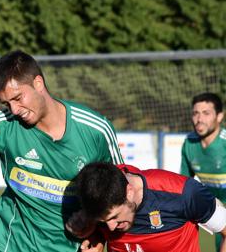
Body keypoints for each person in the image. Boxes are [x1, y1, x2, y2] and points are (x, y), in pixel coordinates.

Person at [0, 50, 124, 252]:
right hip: (6, 242)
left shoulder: (95, 130)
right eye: (6, 103)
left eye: (18, 98)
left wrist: (99, 234)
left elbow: (119, 190)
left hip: (65, 245)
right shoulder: (3, 125)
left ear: (38, 83)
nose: (14, 110)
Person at [72, 162, 226, 252]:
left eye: (114, 217)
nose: (111, 228)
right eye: (103, 221)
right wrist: (96, 239)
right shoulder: (97, 192)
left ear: (129, 192)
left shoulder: (183, 193)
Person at [181, 92, 226, 252]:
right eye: (196, 113)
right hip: (216, 212)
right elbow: (183, 184)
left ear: (219, 116)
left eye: (206, 113)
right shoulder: (189, 143)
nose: (199, 119)